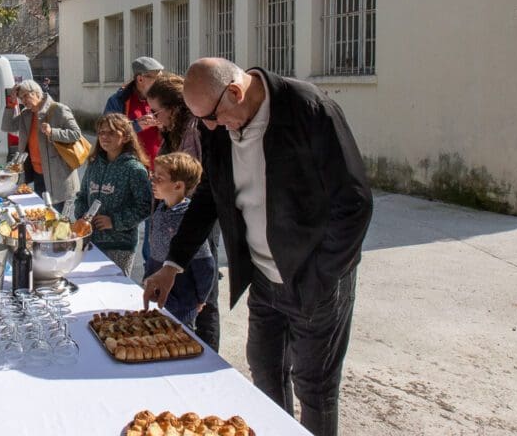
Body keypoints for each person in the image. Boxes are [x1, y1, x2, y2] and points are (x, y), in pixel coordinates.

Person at [142, 58, 373, 436]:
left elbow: (355, 204)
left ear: (235, 92)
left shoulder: (307, 108)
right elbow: (209, 197)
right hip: (264, 280)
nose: (209, 127)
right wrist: (173, 264)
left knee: (314, 388)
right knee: (265, 375)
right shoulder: (218, 124)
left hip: (314, 281)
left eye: (212, 117)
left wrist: (320, 275)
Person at [146, 73, 222, 352]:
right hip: (172, 212)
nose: (154, 118)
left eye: (157, 112)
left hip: (196, 218)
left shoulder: (197, 129)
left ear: (175, 108)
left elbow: (201, 180)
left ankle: (209, 355)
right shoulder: (172, 131)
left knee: (204, 298)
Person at [103, 56, 164, 264]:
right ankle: (121, 264)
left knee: (154, 227)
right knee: (128, 222)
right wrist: (136, 125)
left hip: (157, 170)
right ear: (140, 79)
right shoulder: (119, 100)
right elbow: (108, 131)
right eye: (155, 77)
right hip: (129, 171)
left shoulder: (161, 98)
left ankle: (151, 268)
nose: (160, 80)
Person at [74, 113, 151, 276]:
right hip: (90, 240)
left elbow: (145, 207)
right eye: (101, 132)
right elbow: (82, 196)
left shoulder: (135, 169)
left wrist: (114, 221)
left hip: (120, 246)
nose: (104, 137)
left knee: (114, 286)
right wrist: (82, 217)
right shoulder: (94, 164)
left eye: (111, 133)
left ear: (126, 137)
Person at [144, 152, 215, 328]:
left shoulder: (188, 219)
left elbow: (205, 264)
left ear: (178, 186)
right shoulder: (160, 209)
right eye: (153, 175)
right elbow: (154, 253)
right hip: (157, 292)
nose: (153, 181)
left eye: (159, 178)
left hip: (182, 300)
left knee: (180, 335)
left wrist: (201, 298)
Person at [1, 79, 81, 212]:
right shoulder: (26, 114)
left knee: (54, 217)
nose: (23, 101)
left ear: (36, 93)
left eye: (25, 96)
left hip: (58, 177)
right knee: (41, 215)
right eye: (21, 98)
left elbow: (76, 134)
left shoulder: (58, 109)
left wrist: (52, 132)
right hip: (38, 174)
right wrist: (11, 103)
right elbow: (7, 126)